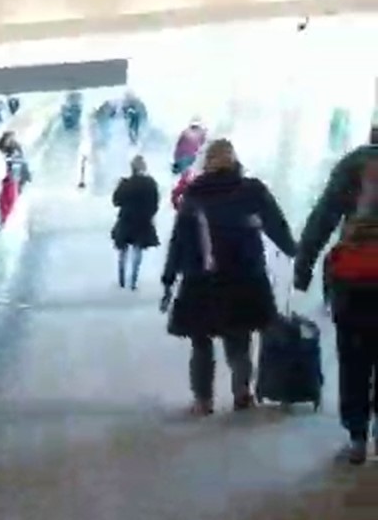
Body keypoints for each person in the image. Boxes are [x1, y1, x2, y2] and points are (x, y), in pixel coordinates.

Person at [160, 139, 297, 416]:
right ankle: (241, 392)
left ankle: (203, 400)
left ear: (206, 163)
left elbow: (180, 241)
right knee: (239, 336)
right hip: (245, 275)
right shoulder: (251, 190)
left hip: (201, 278)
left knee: (201, 341)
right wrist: (295, 252)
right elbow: (275, 224)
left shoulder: (194, 194)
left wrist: (169, 278)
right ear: (234, 160)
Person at [294, 141, 378, 461]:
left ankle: (357, 437)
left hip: (355, 280)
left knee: (354, 357)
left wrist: (303, 267)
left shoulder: (356, 162)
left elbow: (323, 218)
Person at [111, 155, 162, 289]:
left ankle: (121, 278)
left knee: (123, 250)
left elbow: (116, 201)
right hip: (143, 220)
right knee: (138, 249)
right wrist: (151, 215)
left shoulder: (125, 183)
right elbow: (155, 203)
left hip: (126, 219)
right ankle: (133, 280)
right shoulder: (150, 184)